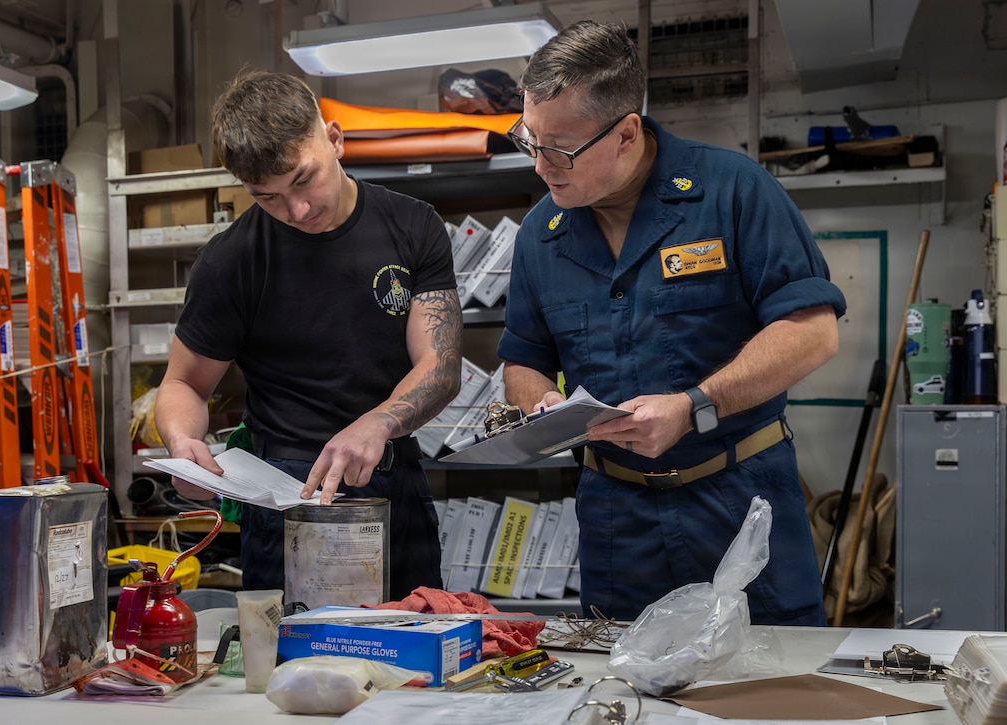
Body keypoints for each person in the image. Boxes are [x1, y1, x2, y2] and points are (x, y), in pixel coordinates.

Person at [497, 20, 846, 625]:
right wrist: (545, 412)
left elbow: (812, 331)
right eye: (530, 138)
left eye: (560, 147)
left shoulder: (732, 191)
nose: (540, 165)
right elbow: (523, 359)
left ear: (627, 132)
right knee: (627, 694)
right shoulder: (540, 235)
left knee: (770, 688)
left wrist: (694, 406)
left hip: (738, 502)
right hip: (616, 516)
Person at [154, 70, 463, 600]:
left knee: (419, 663)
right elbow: (183, 384)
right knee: (294, 670)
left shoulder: (413, 226)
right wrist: (182, 443)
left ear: (335, 140)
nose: (296, 211)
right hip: (285, 498)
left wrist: (379, 422)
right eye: (267, 197)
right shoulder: (232, 261)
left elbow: (440, 365)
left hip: (395, 482)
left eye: (303, 180)